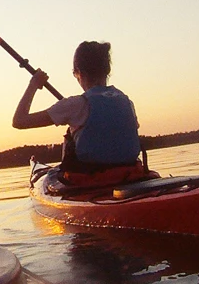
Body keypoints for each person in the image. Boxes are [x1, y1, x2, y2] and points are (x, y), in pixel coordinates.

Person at [12, 41, 156, 187]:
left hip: (90, 181)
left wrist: (33, 84)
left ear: (79, 72)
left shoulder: (75, 104)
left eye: (74, 73)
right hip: (131, 175)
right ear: (107, 70)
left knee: (56, 169)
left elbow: (19, 121)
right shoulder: (126, 101)